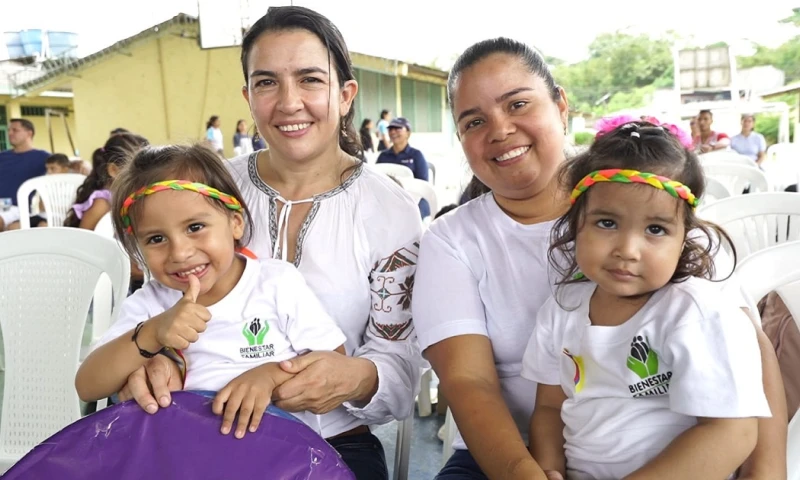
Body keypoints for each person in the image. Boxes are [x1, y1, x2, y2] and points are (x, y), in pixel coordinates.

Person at [412, 37, 787, 480]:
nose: (499, 130)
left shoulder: (659, 209)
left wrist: (767, 471)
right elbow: (469, 382)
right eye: (474, 121)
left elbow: (749, 353)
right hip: (505, 454)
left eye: (517, 104)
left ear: (561, 105)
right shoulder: (455, 240)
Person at [114, 7, 423, 480]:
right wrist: (145, 366)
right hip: (195, 435)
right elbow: (156, 304)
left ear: (345, 95)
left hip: (333, 440)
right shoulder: (208, 192)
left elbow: (400, 367)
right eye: (266, 82)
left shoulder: (389, 209)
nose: (288, 102)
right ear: (248, 97)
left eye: (310, 80)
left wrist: (354, 377)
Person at [524, 119, 770, 480]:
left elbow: (732, 432)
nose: (627, 250)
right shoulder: (562, 308)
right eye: (606, 223)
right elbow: (548, 407)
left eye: (655, 229)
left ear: (684, 236)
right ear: (577, 224)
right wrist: (548, 469)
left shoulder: (696, 313)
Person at [76, 144, 347, 438]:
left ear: (235, 223)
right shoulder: (151, 304)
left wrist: (270, 376)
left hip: (283, 455)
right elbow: (88, 384)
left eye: (195, 227)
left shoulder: (276, 283)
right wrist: (152, 335)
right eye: (156, 238)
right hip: (188, 457)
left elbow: (333, 363)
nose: (179, 252)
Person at [64, 132, 149, 230]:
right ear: (113, 170)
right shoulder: (102, 203)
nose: (146, 177)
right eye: (139, 170)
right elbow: (83, 241)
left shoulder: (134, 196)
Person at [0, 118, 50, 231]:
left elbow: (62, 167)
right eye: (9, 130)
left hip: (14, 207)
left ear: (29, 133)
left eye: (15, 130)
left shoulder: (43, 157)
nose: (9, 133)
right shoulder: (2, 157)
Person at [376, 117, 430, 218]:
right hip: (388, 201)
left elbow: (423, 184)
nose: (393, 132)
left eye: (398, 128)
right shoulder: (383, 156)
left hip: (414, 200)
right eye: (390, 129)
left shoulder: (416, 155)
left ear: (408, 133)